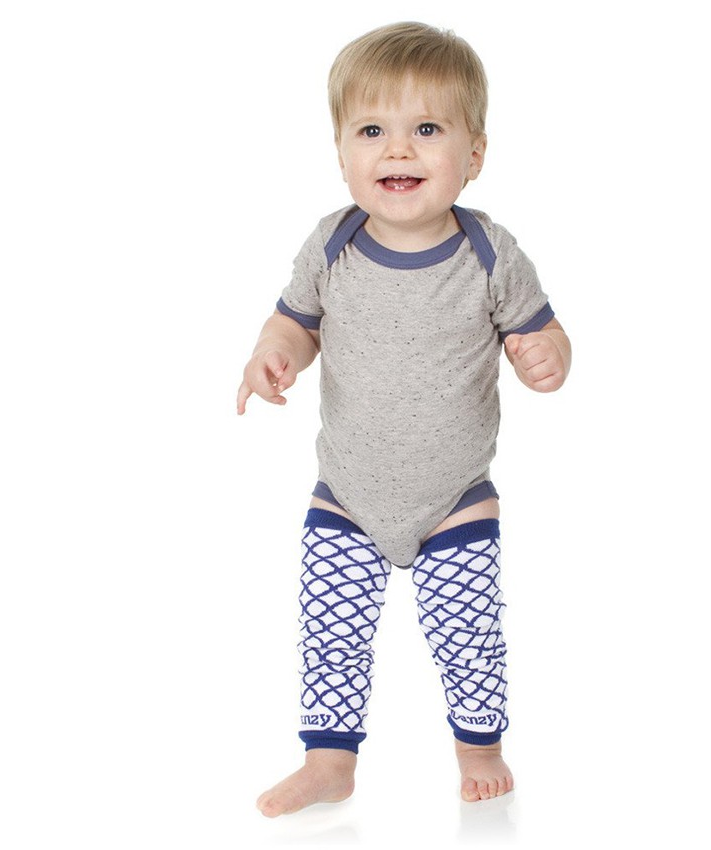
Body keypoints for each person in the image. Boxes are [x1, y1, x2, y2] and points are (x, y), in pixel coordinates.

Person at [237, 21, 571, 816]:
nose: (398, 150)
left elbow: (542, 330)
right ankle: (328, 761)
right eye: (372, 132)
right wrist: (274, 352)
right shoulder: (332, 243)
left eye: (426, 130)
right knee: (331, 631)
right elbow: (295, 322)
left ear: (474, 155)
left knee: (468, 634)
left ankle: (480, 748)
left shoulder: (490, 253)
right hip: (345, 494)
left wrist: (548, 356)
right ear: (340, 151)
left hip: (456, 498)